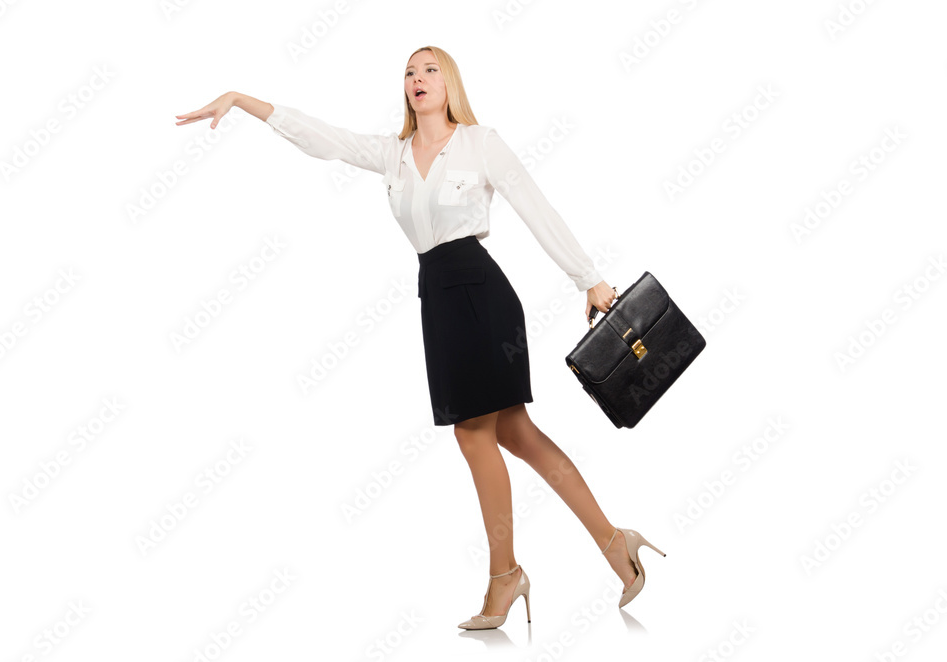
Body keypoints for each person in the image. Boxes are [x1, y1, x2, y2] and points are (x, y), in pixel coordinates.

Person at [175, 45, 665, 629]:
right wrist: (240, 100)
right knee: (515, 432)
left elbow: (536, 207)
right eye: (409, 71)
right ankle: (614, 542)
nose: (418, 78)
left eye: (430, 69)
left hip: (482, 295)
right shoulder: (395, 154)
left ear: (449, 82)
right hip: (437, 299)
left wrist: (589, 279)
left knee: (473, 433)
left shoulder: (480, 142)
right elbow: (322, 138)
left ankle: (506, 576)